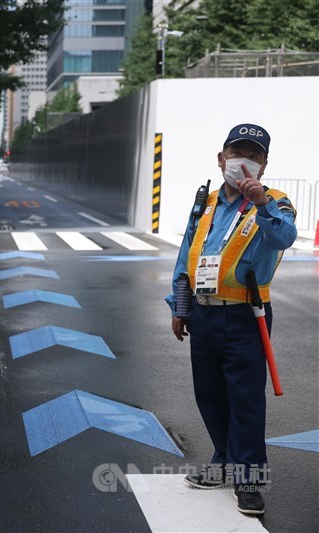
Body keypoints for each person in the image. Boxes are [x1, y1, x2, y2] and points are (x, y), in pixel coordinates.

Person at [165, 123, 297, 516]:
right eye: (237, 153)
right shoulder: (204, 202)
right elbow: (187, 253)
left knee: (245, 403)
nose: (244, 161)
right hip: (203, 316)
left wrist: (260, 203)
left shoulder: (276, 202)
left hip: (246, 317)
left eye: (254, 156)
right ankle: (223, 462)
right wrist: (181, 305)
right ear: (221, 158)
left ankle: (250, 480)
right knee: (209, 396)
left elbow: (284, 237)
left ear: (264, 164)